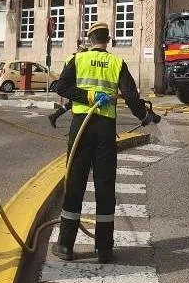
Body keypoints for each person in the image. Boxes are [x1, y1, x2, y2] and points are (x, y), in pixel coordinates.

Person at [53, 22, 157, 264]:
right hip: (105, 130)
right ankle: (104, 249)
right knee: (105, 186)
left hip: (81, 126)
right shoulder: (117, 63)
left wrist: (87, 96)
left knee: (75, 183)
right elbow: (131, 96)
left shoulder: (77, 60)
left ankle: (66, 245)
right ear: (108, 40)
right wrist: (144, 116)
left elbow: (62, 87)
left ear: (90, 40)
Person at [47, 46, 87, 128]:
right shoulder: (74, 58)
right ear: (80, 50)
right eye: (84, 51)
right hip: (71, 84)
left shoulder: (72, 57)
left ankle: (54, 116)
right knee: (74, 103)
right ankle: (75, 125)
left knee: (72, 104)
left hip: (71, 83)